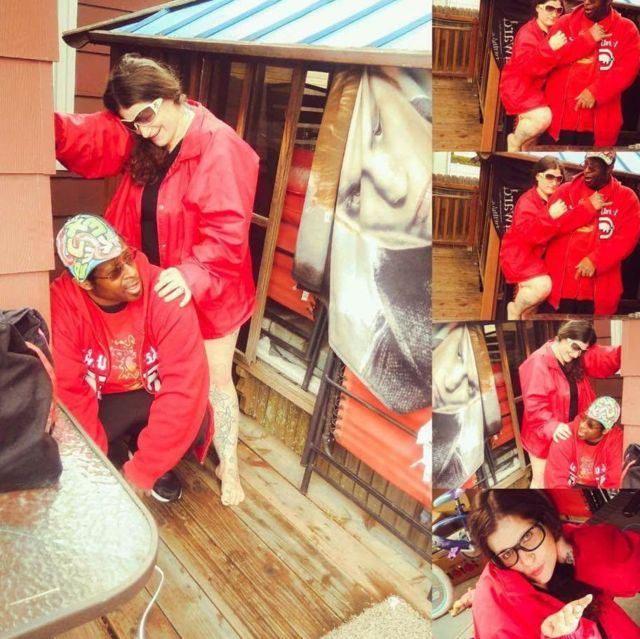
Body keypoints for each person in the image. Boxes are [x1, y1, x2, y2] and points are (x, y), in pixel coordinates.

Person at [54, 54, 259, 506]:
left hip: (209, 286)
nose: (143, 131)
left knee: (214, 380)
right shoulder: (143, 134)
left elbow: (228, 233)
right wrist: (48, 127)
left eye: (146, 117)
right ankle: (155, 448)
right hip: (150, 285)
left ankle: (230, 465)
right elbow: (94, 140)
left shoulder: (220, 147)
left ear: (171, 95)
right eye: (132, 124)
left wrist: (189, 274)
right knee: (154, 374)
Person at [51, 215, 213, 502]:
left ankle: (142, 448)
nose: (131, 273)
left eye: (127, 257)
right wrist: (95, 467)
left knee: (196, 419)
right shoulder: (63, 304)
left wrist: (143, 470)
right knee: (69, 439)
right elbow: (70, 391)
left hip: (151, 393)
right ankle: (112, 452)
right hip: (100, 399)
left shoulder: (165, 291)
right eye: (114, 272)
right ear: (85, 283)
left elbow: (184, 387)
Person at [468, 490, 640, 639]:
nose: (527, 561)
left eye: (527, 537)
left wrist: (572, 552)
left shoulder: (564, 540)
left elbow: (633, 572)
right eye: (507, 553)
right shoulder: (496, 614)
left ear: (546, 520)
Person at [499, 155, 604, 320]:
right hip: (520, 257)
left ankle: (521, 314)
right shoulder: (527, 201)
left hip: (537, 259)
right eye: (549, 176)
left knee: (530, 313)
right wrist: (550, 215)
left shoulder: (554, 200)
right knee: (543, 286)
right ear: (538, 176)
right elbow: (529, 235)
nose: (554, 182)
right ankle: (514, 309)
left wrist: (588, 207)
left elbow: (567, 223)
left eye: (558, 178)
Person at [518, 320, 620, 488]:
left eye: (582, 351)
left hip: (569, 432)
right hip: (544, 434)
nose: (576, 354)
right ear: (562, 337)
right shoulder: (537, 362)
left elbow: (599, 358)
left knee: (565, 480)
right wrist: (552, 426)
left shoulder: (575, 356)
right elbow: (535, 405)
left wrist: (623, 353)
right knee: (542, 481)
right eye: (575, 347)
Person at [542, 150, 640, 315]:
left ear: (610, 169)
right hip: (559, 287)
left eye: (593, 168)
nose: (586, 171)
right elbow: (549, 228)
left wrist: (596, 260)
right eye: (585, 164)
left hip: (598, 291)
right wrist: (587, 208)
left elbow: (627, 239)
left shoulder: (626, 198)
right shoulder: (565, 191)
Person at [500, 0, 607, 151]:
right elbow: (528, 67)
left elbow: (567, 54)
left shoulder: (554, 32)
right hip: (520, 88)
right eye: (549, 8)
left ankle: (521, 147)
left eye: (558, 10)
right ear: (538, 8)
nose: (554, 14)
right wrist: (550, 47)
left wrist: (589, 38)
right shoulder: (527, 33)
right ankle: (514, 141)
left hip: (537, 89)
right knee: (543, 118)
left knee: (531, 143)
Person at [541, 0, 640, 146]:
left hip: (599, 126)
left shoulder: (627, 29)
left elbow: (628, 69)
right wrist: (587, 39)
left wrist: (596, 91)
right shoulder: (564, 23)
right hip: (557, 123)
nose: (587, 2)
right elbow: (547, 60)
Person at [544, 395, 623, 489]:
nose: (582, 425)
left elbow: (614, 482)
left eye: (590, 426)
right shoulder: (565, 434)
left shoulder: (616, 442)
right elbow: (555, 482)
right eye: (584, 418)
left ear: (605, 431)